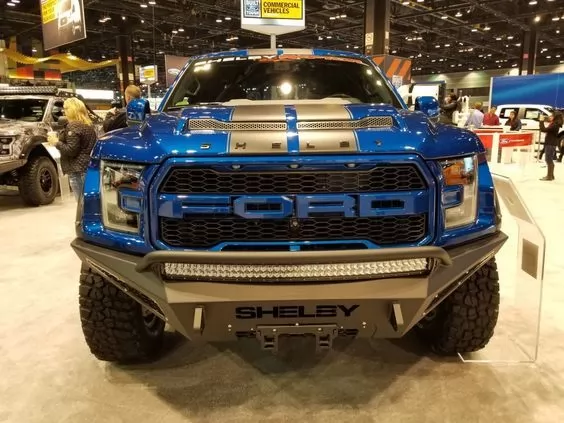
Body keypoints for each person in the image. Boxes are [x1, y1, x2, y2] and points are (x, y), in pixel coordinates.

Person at [48, 97, 97, 200]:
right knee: (89, 202)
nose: (63, 111)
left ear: (72, 110)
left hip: (77, 171)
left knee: (81, 203)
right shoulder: (88, 125)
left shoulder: (73, 126)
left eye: (65, 108)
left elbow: (71, 150)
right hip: (88, 167)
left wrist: (56, 142)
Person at [539, 111, 563, 181]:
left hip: (550, 143)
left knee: (548, 160)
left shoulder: (555, 125)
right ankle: (551, 175)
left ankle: (549, 176)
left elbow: (543, 129)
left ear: (555, 117)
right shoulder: (555, 123)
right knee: (549, 160)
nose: (550, 117)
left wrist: (541, 121)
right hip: (551, 143)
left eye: (552, 116)